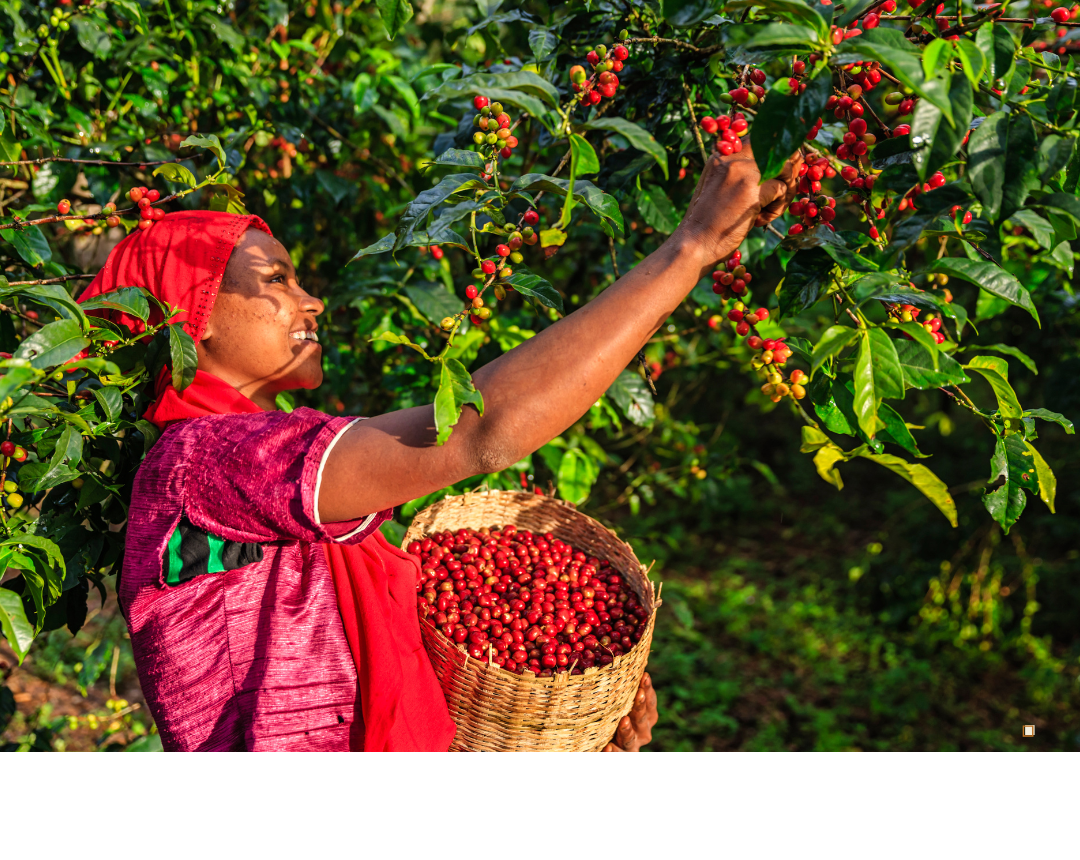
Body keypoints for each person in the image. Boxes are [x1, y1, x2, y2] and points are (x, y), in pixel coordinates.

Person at [84, 138, 797, 751]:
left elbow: (373, 689)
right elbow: (479, 432)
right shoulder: (204, 458)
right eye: (276, 280)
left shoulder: (255, 465)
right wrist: (687, 250)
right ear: (191, 317)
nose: (313, 301)